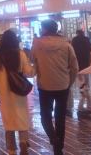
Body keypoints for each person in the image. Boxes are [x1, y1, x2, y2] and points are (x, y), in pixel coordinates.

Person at [31, 20, 78, 155]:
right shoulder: (66, 45)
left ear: (45, 29)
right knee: (60, 117)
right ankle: (59, 147)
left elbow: (33, 61)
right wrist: (69, 82)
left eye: (41, 28)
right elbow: (74, 66)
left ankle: (53, 138)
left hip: (45, 85)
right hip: (62, 85)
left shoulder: (37, 44)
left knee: (45, 116)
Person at [0, 30, 34, 155]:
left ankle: (12, 150)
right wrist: (36, 66)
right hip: (19, 94)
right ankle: (23, 142)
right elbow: (29, 72)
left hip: (5, 95)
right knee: (22, 120)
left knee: (9, 124)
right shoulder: (20, 54)